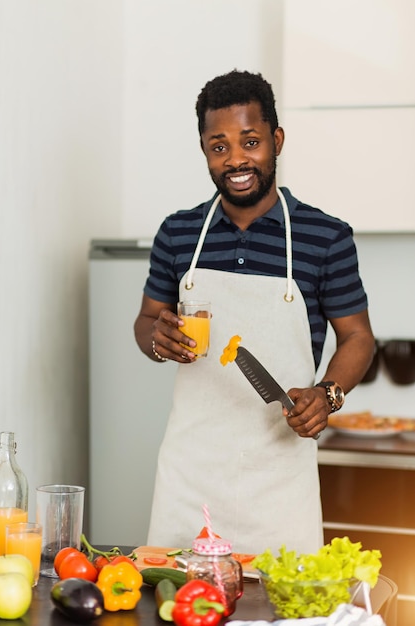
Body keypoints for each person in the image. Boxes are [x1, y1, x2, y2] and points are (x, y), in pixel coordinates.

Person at [134, 70, 375, 555]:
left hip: (279, 482)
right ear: (203, 150)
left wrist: (326, 395)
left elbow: (359, 338)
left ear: (276, 140)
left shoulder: (324, 237)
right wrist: (157, 340)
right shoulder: (178, 233)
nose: (236, 159)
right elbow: (146, 322)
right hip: (190, 476)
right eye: (218, 146)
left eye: (250, 141)